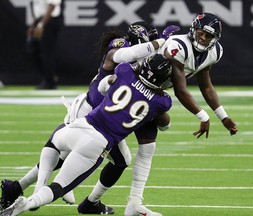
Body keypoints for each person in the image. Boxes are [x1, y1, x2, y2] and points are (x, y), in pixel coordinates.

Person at [0, 22, 179, 215]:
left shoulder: (126, 72)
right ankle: (71, 199)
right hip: (92, 114)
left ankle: (18, 187)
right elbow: (132, 59)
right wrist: (161, 42)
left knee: (61, 150)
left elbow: (117, 78)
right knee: (109, 161)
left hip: (89, 118)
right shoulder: (123, 52)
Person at [158, 12, 238, 138]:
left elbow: (206, 86)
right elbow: (180, 90)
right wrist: (204, 117)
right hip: (136, 83)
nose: (203, 38)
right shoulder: (179, 46)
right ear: (193, 29)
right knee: (161, 118)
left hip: (155, 90)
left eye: (209, 36)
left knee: (162, 123)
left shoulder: (214, 52)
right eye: (200, 33)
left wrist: (223, 117)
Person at [27, 0, 63, 89]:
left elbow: (52, 5)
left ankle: (50, 81)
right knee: (32, 49)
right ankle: (48, 77)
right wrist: (33, 25)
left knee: (47, 52)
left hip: (49, 20)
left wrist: (41, 25)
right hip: (40, 20)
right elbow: (38, 9)